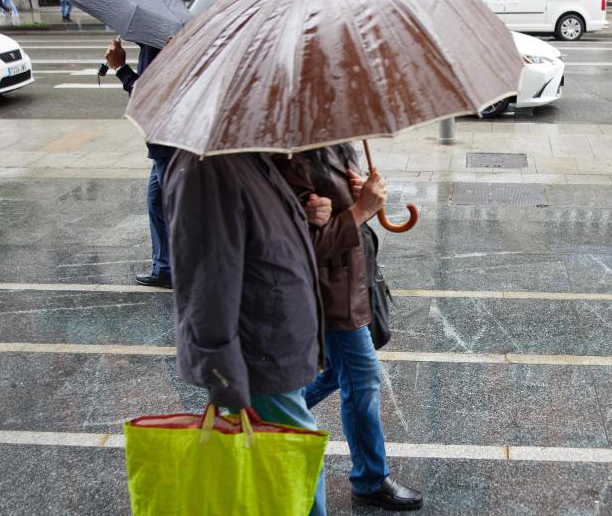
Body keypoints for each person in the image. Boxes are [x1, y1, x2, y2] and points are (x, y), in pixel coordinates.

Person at [164, 149, 330, 516]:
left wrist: (303, 213)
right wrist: (222, 372)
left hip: (276, 341)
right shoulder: (209, 169)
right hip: (258, 351)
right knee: (293, 461)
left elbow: (258, 235)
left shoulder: (249, 158)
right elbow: (207, 281)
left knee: (290, 461)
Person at [276, 146, 424, 512]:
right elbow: (302, 246)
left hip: (352, 282)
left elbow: (340, 215)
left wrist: (360, 196)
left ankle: (268, 415)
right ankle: (370, 479)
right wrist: (360, 209)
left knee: (340, 375)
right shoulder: (293, 158)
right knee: (362, 377)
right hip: (330, 292)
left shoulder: (335, 144)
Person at [105, 39, 175, 288]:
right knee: (156, 203)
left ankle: (186, 271)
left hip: (170, 143)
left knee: (175, 211)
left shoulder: (158, 45)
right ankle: (164, 268)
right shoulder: (152, 43)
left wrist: (120, 68)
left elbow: (149, 98)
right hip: (162, 144)